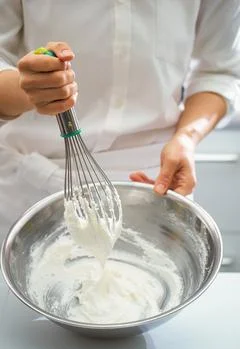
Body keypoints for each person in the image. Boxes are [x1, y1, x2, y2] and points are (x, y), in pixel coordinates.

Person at [0, 0, 239, 241]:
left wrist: (186, 138)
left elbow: (219, 71)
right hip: (29, 181)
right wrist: (28, 88)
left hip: (156, 178)